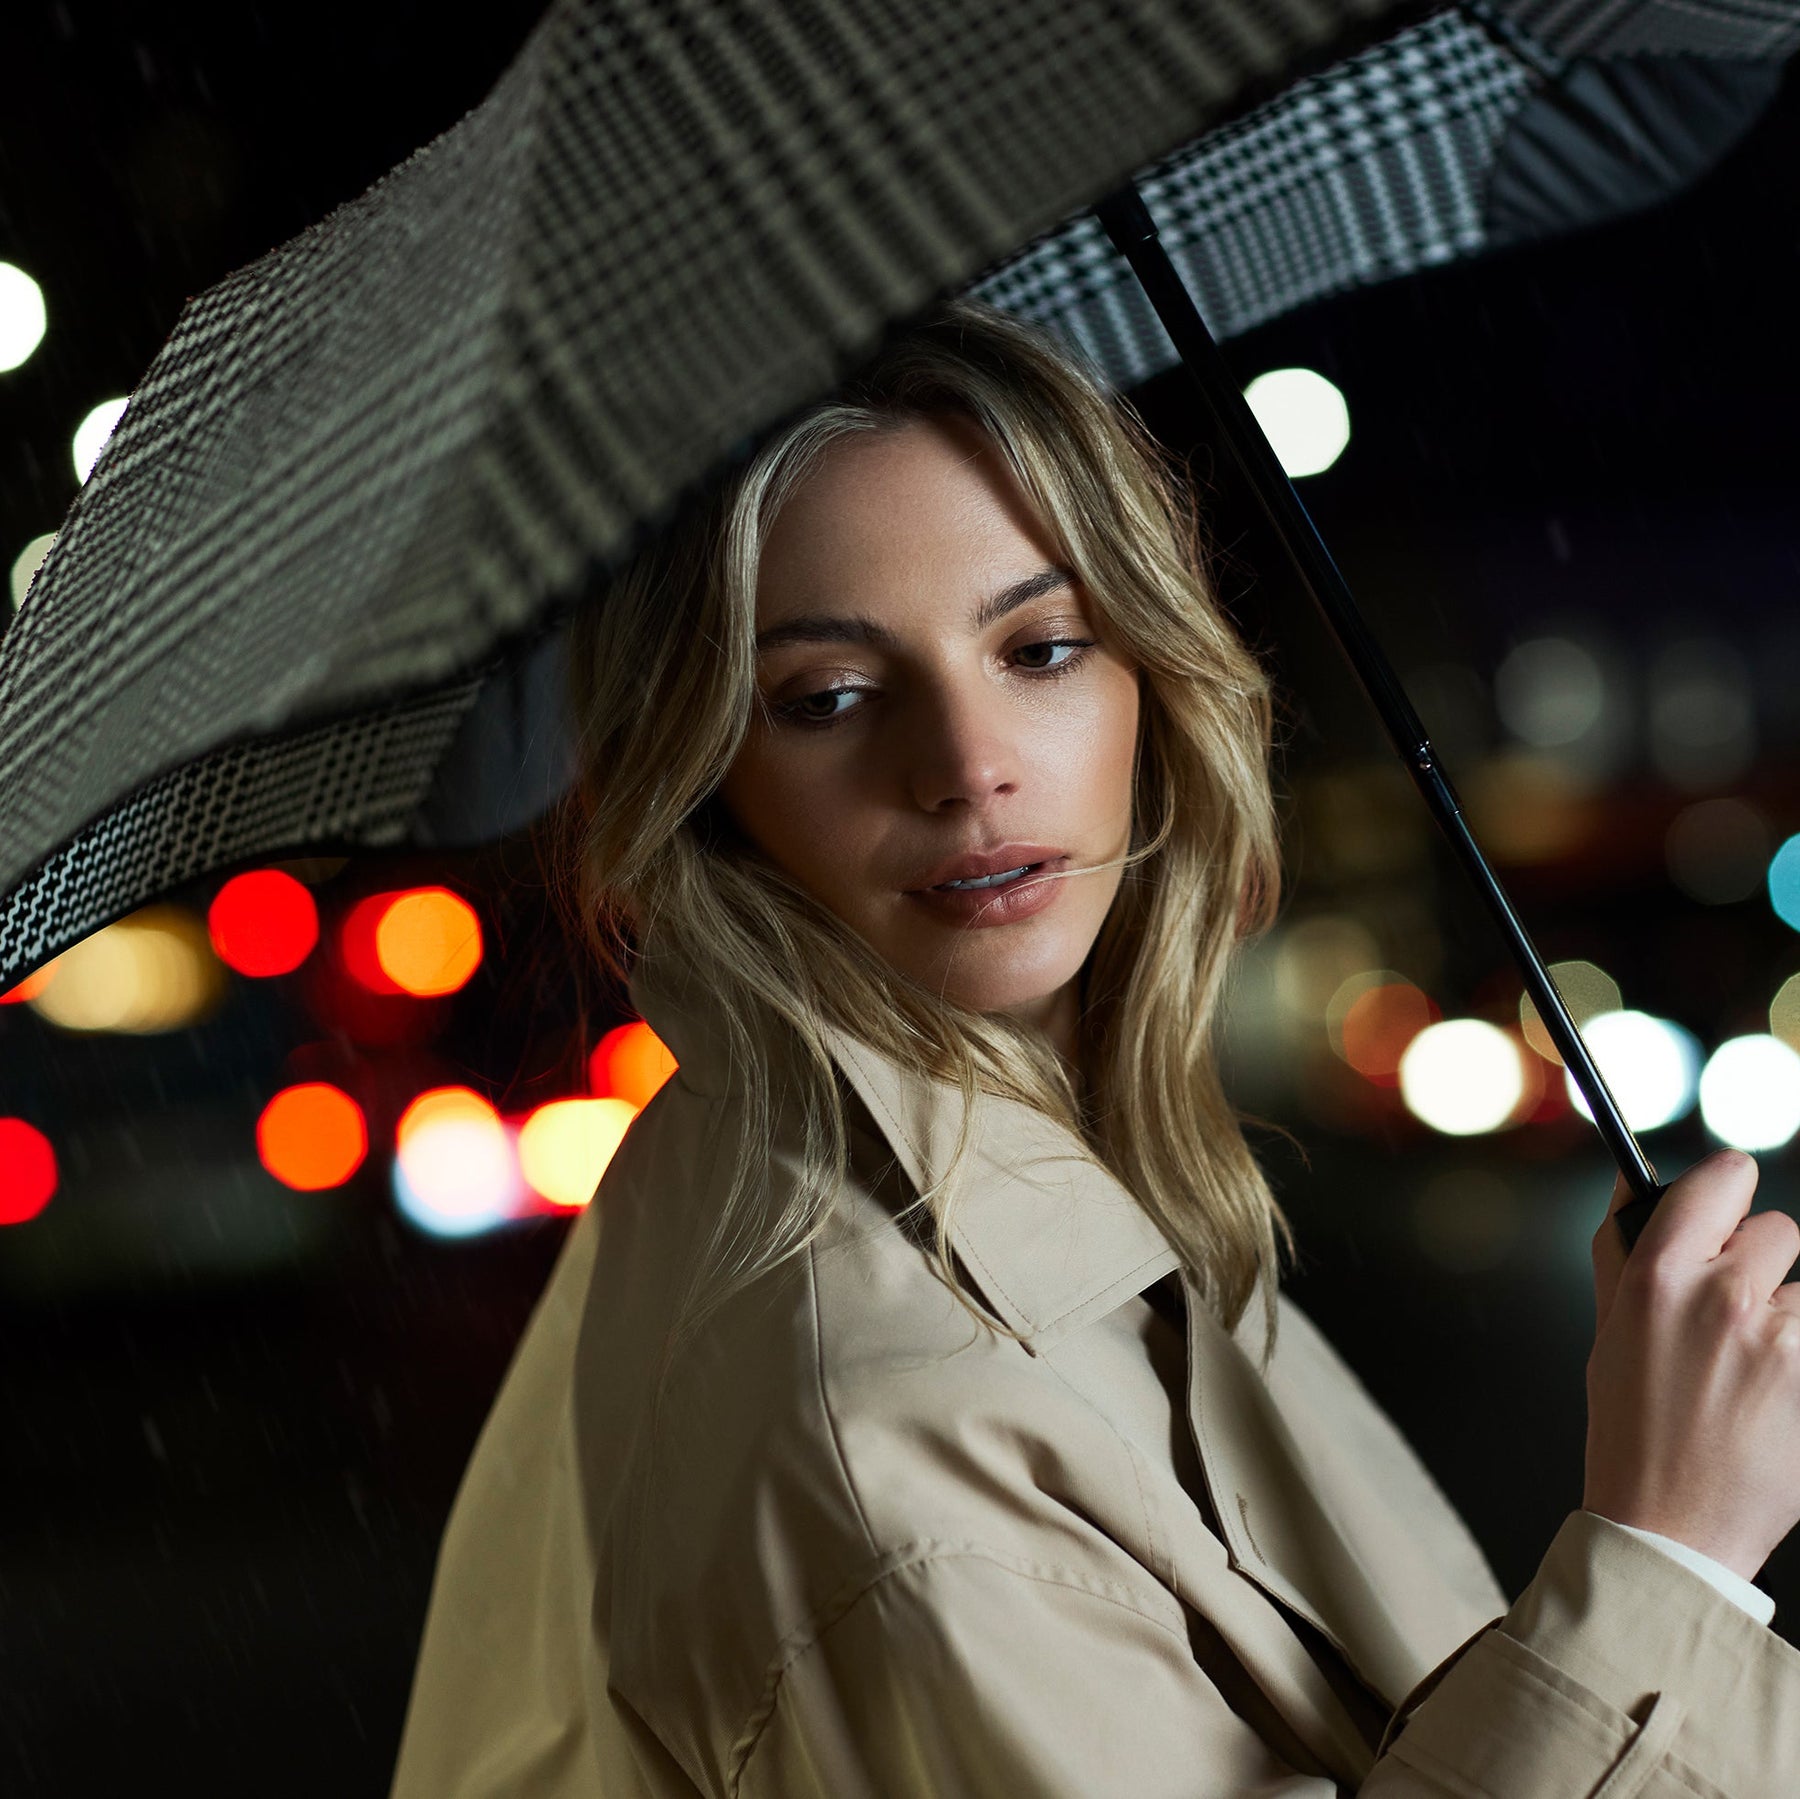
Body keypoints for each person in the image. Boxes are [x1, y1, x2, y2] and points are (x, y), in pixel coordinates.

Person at [387, 300, 1800, 1796]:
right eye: (830, 697)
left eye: (1042, 646)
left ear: (1151, 670)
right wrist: (1670, 1555)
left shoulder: (1043, 1188)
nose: (968, 764)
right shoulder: (888, 1439)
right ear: (709, 774)